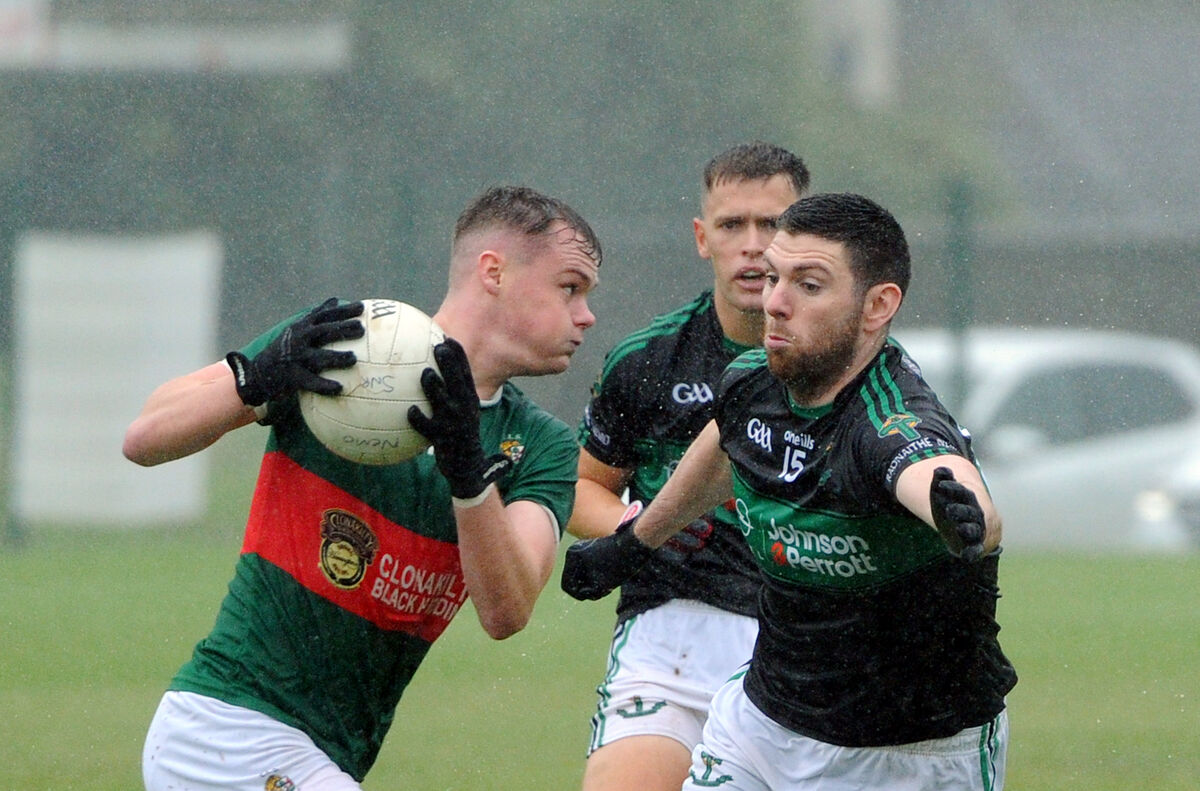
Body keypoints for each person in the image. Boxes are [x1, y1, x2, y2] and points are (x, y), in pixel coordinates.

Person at [125, 185, 602, 791]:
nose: (586, 315)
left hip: (316, 754)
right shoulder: (347, 343)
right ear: (494, 271)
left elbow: (505, 611)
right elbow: (143, 439)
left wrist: (468, 475)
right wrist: (259, 376)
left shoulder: (541, 446)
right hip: (228, 729)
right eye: (571, 287)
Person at [563, 192, 1018, 791]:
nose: (773, 303)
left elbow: (937, 474)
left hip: (910, 755)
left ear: (877, 305)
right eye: (776, 278)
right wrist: (635, 542)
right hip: (761, 725)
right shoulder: (754, 378)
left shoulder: (887, 421)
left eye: (808, 285)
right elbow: (728, 442)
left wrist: (962, 516)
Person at [567, 142, 809, 791]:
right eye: (733, 225)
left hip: (804, 648)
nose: (753, 245)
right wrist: (638, 528)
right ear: (704, 238)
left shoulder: (848, 365)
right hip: (669, 636)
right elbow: (586, 486)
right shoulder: (648, 361)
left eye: (774, 225)